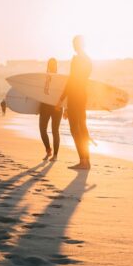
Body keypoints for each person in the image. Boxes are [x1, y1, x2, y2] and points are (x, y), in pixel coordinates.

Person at [58, 36, 92, 170]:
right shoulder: (88, 60)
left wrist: (62, 100)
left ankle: (83, 161)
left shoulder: (77, 59)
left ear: (79, 44)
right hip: (82, 95)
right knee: (82, 127)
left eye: (74, 43)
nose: (73, 46)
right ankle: (86, 160)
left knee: (75, 129)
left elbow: (72, 80)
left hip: (74, 95)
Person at [38, 58, 62, 161]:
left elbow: (64, 94)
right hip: (45, 105)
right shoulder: (44, 77)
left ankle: (55, 155)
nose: (52, 66)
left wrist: (65, 108)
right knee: (42, 129)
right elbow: (39, 92)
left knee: (55, 131)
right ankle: (48, 150)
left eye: (53, 64)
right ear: (48, 65)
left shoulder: (60, 79)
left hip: (56, 106)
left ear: (56, 66)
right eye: (50, 64)